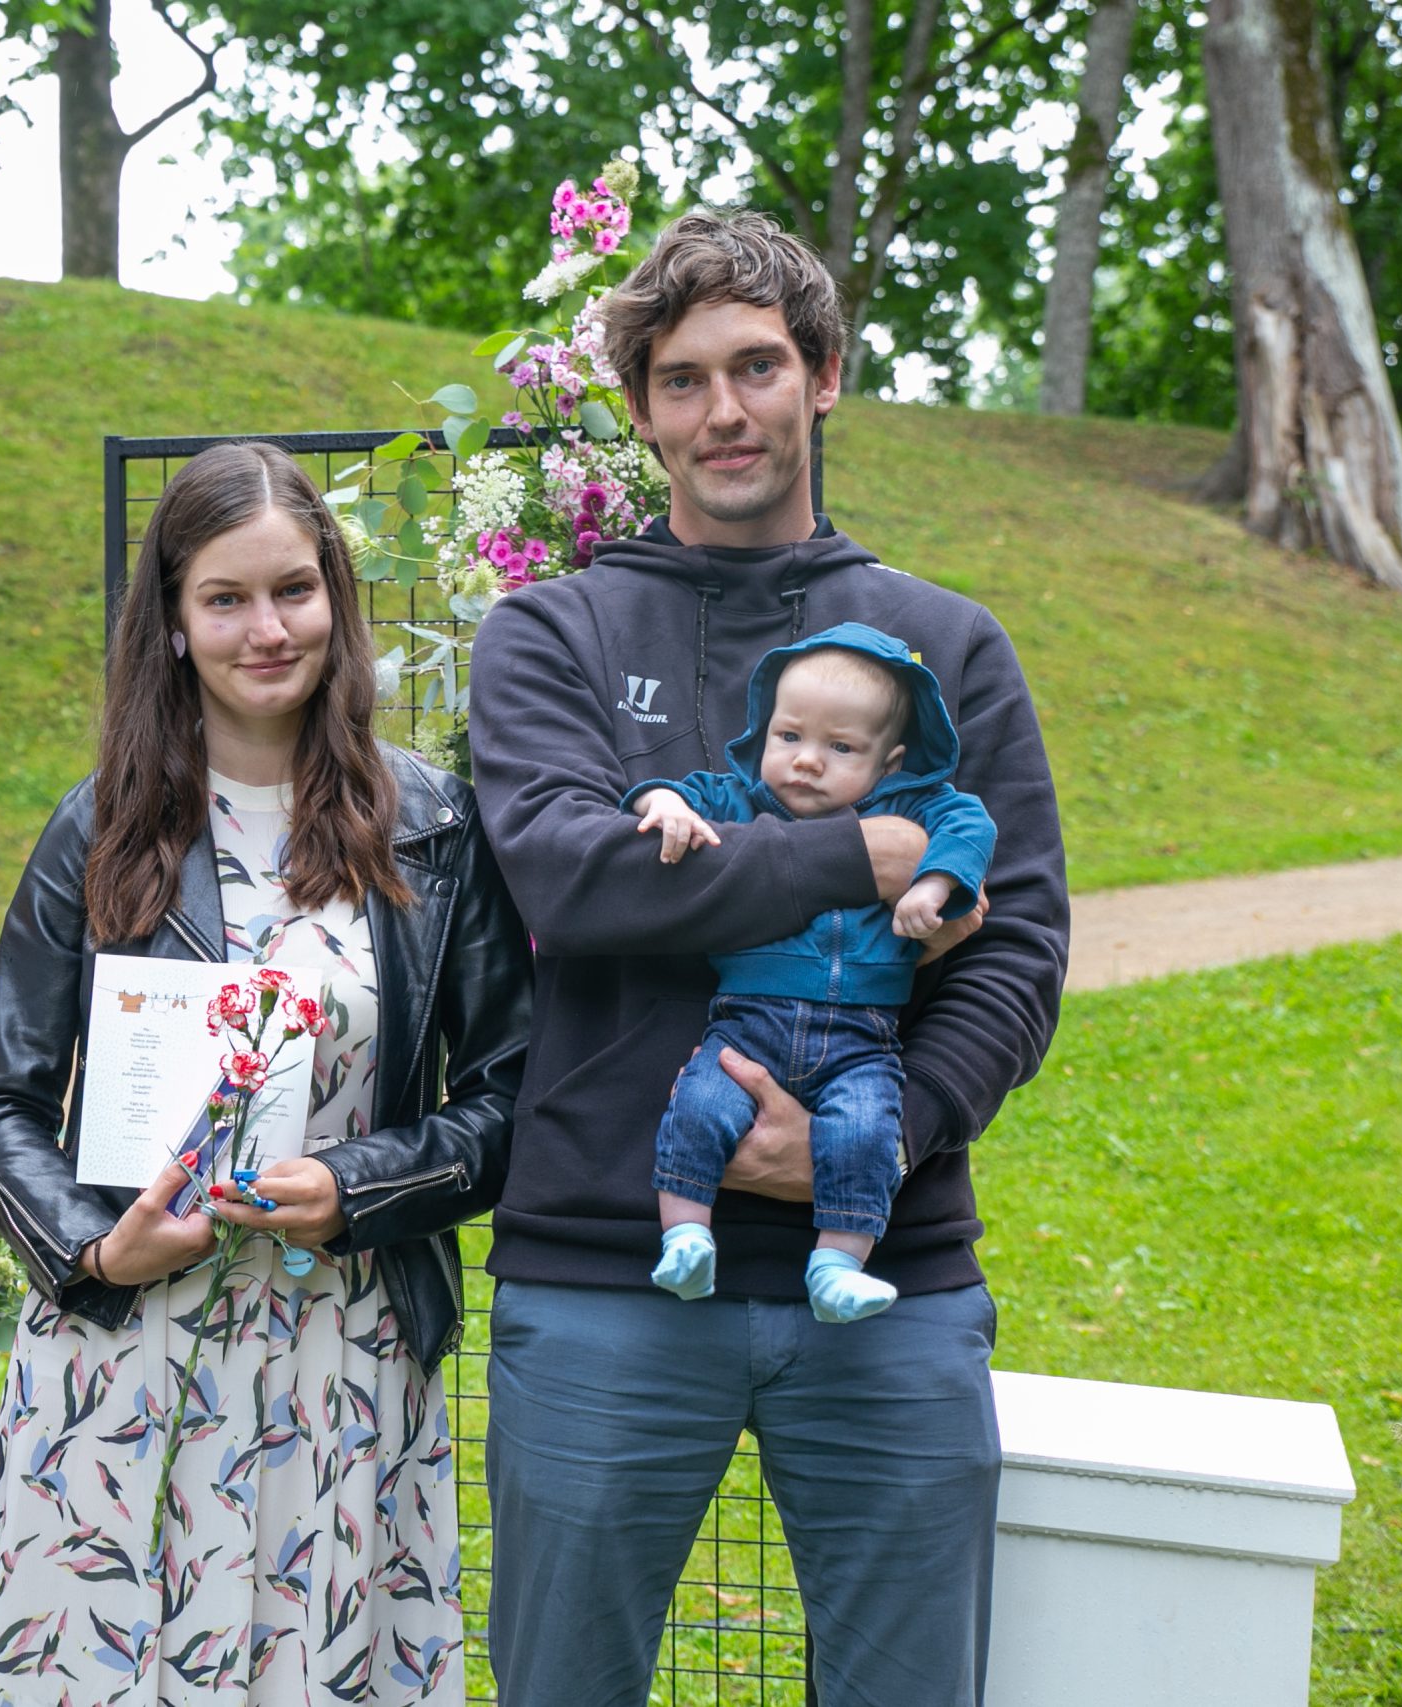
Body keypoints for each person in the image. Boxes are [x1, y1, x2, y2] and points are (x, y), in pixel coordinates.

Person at [468, 209, 1070, 1706]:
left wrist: (887, 1134)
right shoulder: (550, 634)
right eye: (681, 380)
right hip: (606, 1271)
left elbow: (1015, 948)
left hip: (887, 1276)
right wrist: (859, 855)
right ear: (640, 410)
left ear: (824, 376)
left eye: (756, 367)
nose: (722, 411)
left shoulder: (945, 646)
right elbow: (577, 881)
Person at [0, 439, 531, 1706]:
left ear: (335, 597)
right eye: (224, 599)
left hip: (344, 1354)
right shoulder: (99, 828)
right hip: (125, 1347)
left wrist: (359, 1186)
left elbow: (511, 1098)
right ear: (171, 621)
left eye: (293, 590)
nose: (267, 630)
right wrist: (96, 1251)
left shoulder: (433, 828)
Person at [625, 626, 996, 1321]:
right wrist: (663, 805)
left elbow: (970, 826)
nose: (806, 761)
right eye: (789, 736)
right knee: (700, 1107)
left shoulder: (911, 809)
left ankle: (837, 1267)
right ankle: (685, 1239)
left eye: (841, 748)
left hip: (863, 1037)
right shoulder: (738, 801)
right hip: (746, 1023)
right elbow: (670, 789)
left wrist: (933, 882)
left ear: (890, 762)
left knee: (864, 1132)